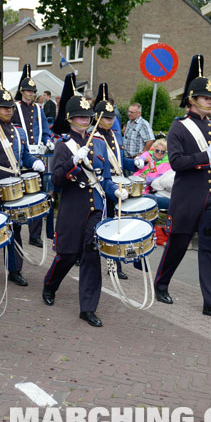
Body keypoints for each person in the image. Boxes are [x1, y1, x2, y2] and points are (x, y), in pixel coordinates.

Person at [153, 54, 211, 320]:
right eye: (206, 98)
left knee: (209, 248)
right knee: (178, 244)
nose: (210, 102)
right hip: (187, 196)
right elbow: (178, 163)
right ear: (192, 100)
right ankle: (161, 284)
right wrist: (206, 155)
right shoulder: (179, 127)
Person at [43, 73, 122, 328]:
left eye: (87, 117)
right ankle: (50, 285)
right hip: (72, 208)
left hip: (95, 209)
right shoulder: (63, 146)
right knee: (66, 255)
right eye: (79, 117)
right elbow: (56, 180)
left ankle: (88, 307)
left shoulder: (99, 144)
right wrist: (73, 163)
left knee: (91, 254)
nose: (84, 121)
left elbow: (106, 178)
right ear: (70, 119)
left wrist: (116, 192)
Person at [0, 71, 45, 285]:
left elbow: (24, 155)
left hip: (13, 186)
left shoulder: (18, 132)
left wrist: (33, 162)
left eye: (10, 108)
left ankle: (14, 269)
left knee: (14, 227)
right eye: (4, 108)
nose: (8, 111)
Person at [92, 83, 136, 279]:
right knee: (104, 226)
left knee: (116, 227)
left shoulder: (115, 136)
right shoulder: (93, 137)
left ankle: (115, 266)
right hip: (101, 187)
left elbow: (120, 161)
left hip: (116, 186)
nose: (110, 121)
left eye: (112, 118)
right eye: (106, 118)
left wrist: (136, 162)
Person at [11, 64, 52, 248]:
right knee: (19, 198)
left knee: (37, 197)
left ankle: (34, 235)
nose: (31, 94)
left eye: (33, 91)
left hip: (37, 159)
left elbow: (44, 130)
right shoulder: (14, 108)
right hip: (20, 159)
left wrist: (48, 140)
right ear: (22, 92)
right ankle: (17, 230)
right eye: (28, 91)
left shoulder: (38, 109)